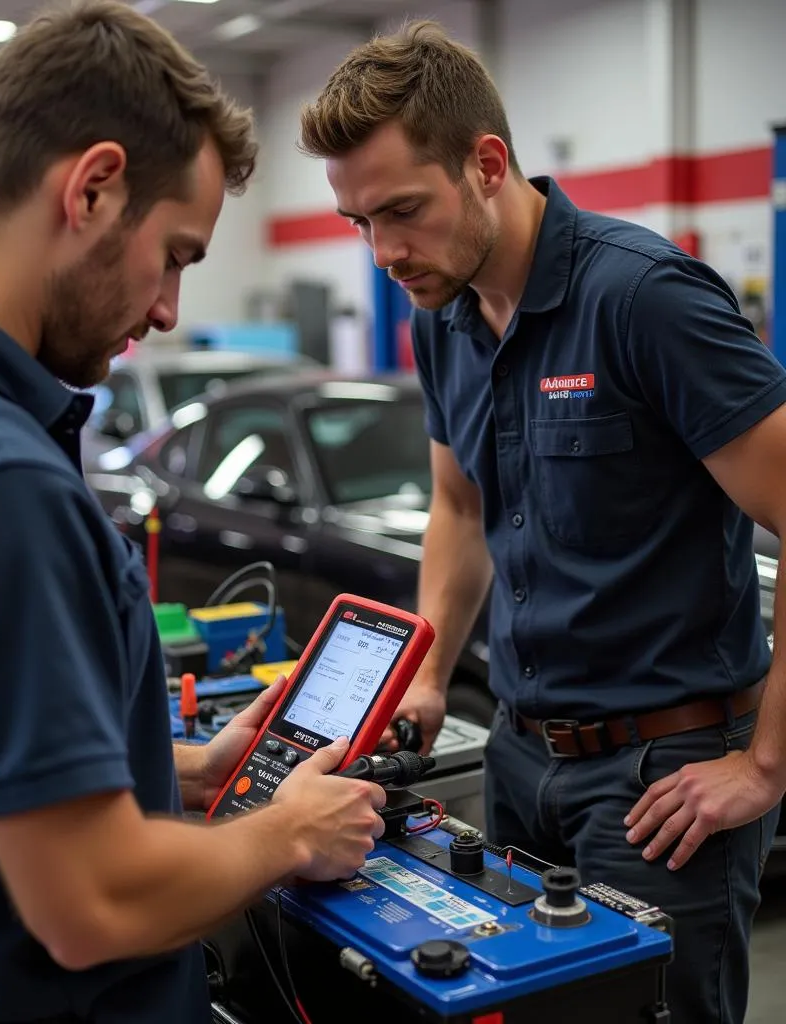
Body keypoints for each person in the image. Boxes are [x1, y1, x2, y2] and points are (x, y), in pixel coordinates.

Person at [0, 4, 387, 1024]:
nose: (167, 311)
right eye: (177, 255)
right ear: (92, 188)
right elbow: (91, 902)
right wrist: (284, 834)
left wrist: (179, 768)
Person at [298, 19, 786, 1024]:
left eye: (401, 211)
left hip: (662, 787)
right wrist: (428, 670)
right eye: (358, 224)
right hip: (520, 762)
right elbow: (459, 503)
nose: (385, 252)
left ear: (485, 164)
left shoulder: (641, 299)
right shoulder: (442, 321)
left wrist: (765, 766)